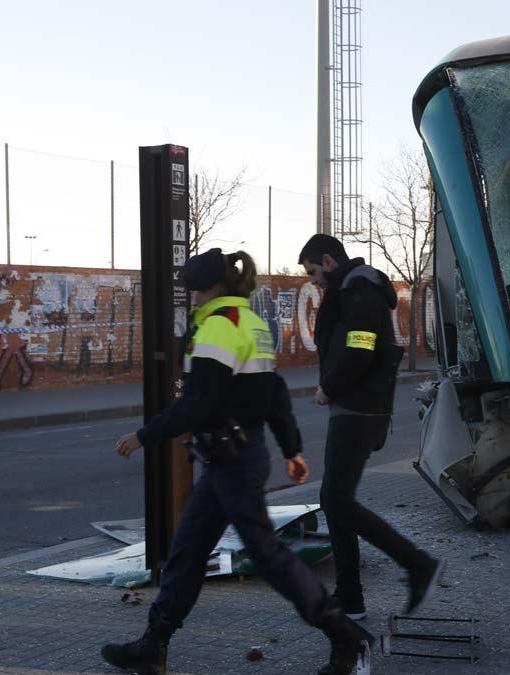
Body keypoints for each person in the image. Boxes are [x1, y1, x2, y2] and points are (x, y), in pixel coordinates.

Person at [102, 248, 371, 675]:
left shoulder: (217, 329)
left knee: (270, 558)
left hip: (233, 462)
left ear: (208, 289)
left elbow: (196, 404)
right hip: (231, 458)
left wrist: (144, 436)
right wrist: (291, 449)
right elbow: (274, 395)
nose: (189, 298)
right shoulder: (251, 322)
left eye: (192, 291)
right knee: (187, 553)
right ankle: (153, 647)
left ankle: (347, 638)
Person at [299, 234, 444, 629]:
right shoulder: (352, 287)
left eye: (314, 273)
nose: (314, 283)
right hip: (356, 406)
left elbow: (361, 346)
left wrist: (331, 385)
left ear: (328, 261)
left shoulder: (358, 289)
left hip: (359, 408)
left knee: (337, 500)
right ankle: (350, 596)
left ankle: (419, 566)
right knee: (336, 499)